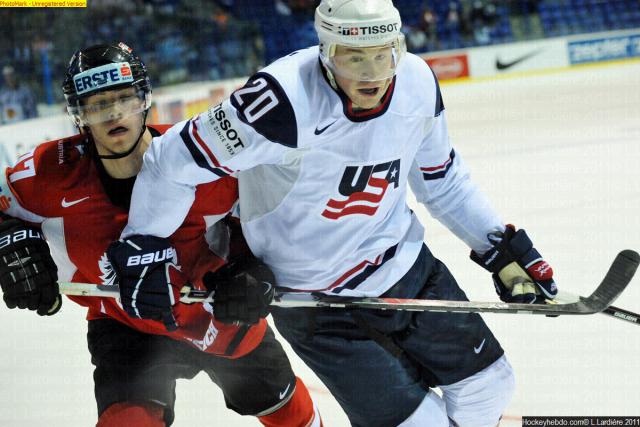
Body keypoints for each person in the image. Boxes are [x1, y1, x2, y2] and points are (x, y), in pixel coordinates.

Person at [107, 0, 559, 425]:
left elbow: (442, 178)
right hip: (316, 304)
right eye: (354, 58)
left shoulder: (418, 81)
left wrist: (498, 248)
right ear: (325, 52)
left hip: (406, 268)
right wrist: (143, 243)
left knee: (491, 389)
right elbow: (170, 161)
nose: (372, 74)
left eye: (384, 56)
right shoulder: (278, 103)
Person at [0, 43, 321, 427]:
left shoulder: (202, 157)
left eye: (124, 99)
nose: (115, 114)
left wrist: (250, 268)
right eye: (98, 105)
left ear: (145, 99)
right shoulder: (49, 173)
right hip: (126, 325)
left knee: (292, 417)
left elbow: (263, 220)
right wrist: (10, 241)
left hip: (220, 318)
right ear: (78, 115)